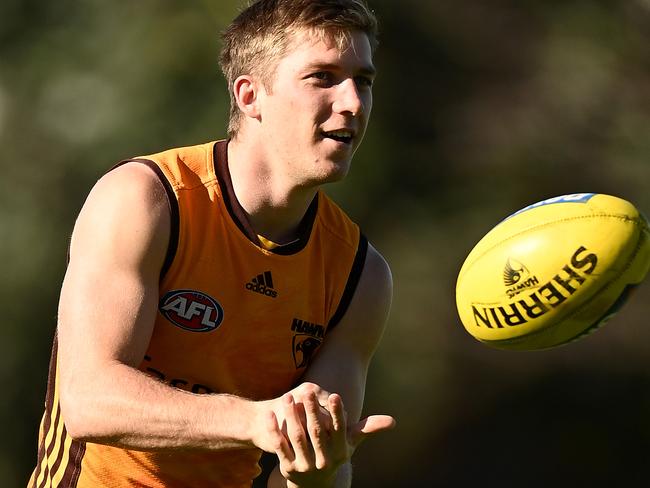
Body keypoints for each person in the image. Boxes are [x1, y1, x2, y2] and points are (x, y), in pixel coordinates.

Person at [29, 0, 395, 486]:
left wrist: (318, 471)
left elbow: (319, 468)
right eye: (322, 78)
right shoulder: (148, 199)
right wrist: (256, 421)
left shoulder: (360, 274)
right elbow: (90, 399)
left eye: (363, 81)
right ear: (250, 96)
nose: (352, 102)